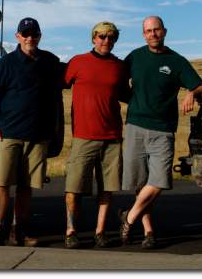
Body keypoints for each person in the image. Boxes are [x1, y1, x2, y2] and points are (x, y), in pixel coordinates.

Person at [120, 16, 202, 249]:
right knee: (141, 184)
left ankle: (128, 217)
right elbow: (116, 80)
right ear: (143, 34)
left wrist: (191, 93)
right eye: (148, 31)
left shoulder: (176, 61)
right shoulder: (135, 57)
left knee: (159, 181)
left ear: (164, 31)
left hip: (163, 130)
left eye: (156, 30)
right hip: (135, 126)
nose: (153, 34)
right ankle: (149, 232)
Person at [0, 17, 63, 246]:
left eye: (34, 34)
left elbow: (62, 91)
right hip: (8, 133)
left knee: (26, 186)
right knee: (1, 183)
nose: (30, 38)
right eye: (25, 34)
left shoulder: (50, 62)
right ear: (17, 36)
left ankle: (18, 230)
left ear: (39, 36)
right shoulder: (6, 63)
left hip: (38, 136)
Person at [63, 22, 130, 249]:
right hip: (84, 136)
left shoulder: (119, 67)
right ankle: (71, 231)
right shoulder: (77, 62)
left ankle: (100, 231)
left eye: (111, 37)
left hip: (111, 136)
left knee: (107, 188)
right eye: (102, 36)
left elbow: (127, 95)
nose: (106, 41)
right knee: (74, 187)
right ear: (93, 38)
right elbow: (56, 85)